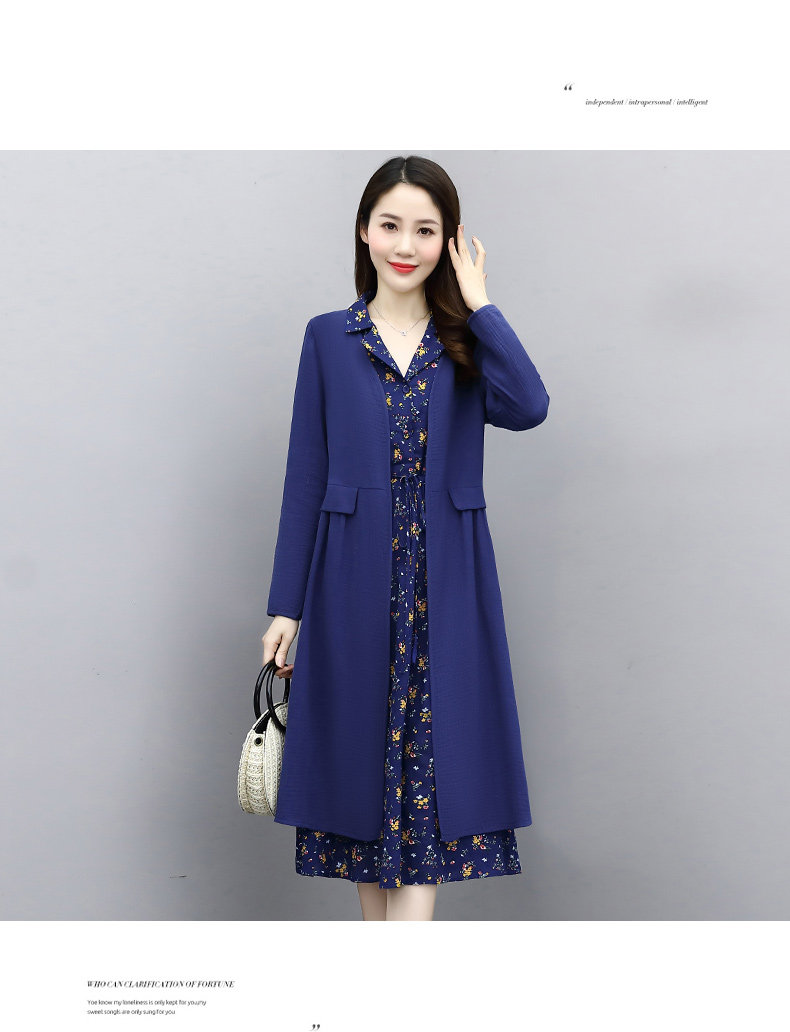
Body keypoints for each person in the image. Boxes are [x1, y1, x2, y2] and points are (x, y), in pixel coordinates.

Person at [261, 155, 550, 921]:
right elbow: (305, 475)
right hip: (350, 583)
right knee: (359, 778)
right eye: (390, 225)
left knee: (433, 774)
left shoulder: (465, 342)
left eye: (425, 230)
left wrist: (481, 306)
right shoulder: (329, 338)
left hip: (445, 585)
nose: (405, 244)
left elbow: (530, 406)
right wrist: (286, 606)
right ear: (364, 230)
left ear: (448, 241)